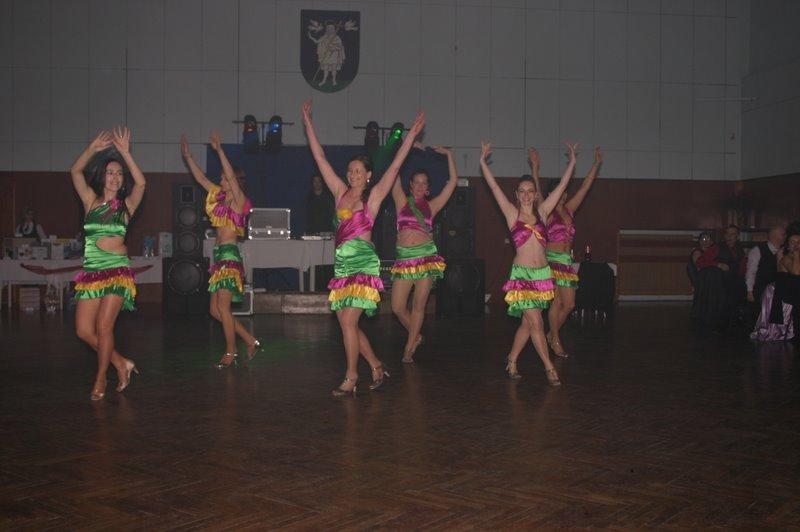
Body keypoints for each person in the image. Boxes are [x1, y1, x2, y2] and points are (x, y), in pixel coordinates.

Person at [301, 99, 425, 397]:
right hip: (342, 265)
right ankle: (376, 365)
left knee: (348, 321)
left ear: (368, 174)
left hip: (363, 264)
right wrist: (308, 124)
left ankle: (351, 375)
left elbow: (395, 166)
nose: (353, 174)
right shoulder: (339, 192)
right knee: (349, 325)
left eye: (359, 171)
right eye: (351, 170)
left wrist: (410, 136)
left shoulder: (374, 196)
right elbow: (320, 158)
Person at [480, 140, 578, 386]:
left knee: (527, 323)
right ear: (517, 194)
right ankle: (549, 368)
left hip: (542, 275)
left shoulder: (543, 212)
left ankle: (512, 359)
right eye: (521, 191)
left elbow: (562, 187)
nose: (525, 195)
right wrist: (483, 162)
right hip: (522, 276)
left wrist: (572, 163)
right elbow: (494, 188)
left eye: (530, 191)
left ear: (535, 194)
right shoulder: (512, 214)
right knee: (536, 322)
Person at [70, 128, 144, 401]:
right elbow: (75, 172)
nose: (115, 177)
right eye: (110, 172)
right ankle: (121, 362)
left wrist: (125, 153)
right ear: (103, 176)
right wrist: (92, 148)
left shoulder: (126, 206)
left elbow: (142, 183)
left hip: (116, 271)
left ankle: (101, 378)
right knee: (83, 331)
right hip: (92, 271)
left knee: (104, 327)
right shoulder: (90, 201)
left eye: (119, 173)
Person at [181, 133, 261, 368]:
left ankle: (230, 351)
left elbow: (232, 179)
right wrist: (188, 157)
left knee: (223, 309)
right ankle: (250, 340)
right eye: (221, 178)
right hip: (218, 259)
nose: (221, 180)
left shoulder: (239, 201)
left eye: (224, 178)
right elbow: (201, 179)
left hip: (229, 257)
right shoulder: (220, 197)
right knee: (215, 311)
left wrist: (219, 151)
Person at [390, 144, 458, 363]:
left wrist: (449, 155)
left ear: (428, 188)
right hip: (404, 260)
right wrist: (407, 147)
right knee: (397, 307)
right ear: (410, 185)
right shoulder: (401, 201)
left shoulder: (433, 205)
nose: (420, 186)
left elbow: (453, 182)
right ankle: (416, 335)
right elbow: (394, 170)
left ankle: (409, 349)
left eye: (424, 183)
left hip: (426, 258)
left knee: (419, 306)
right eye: (416, 182)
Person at [535, 146, 602, 357]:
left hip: (566, 261)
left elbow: (584, 188)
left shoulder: (569, 209)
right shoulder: (546, 211)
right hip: (551, 260)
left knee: (570, 304)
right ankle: (555, 339)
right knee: (556, 302)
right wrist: (535, 168)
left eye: (564, 191)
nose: (563, 194)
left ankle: (551, 334)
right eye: (559, 191)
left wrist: (595, 165)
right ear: (552, 193)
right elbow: (537, 192)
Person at [694, 225, 747, 329]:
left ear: (737, 237)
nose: (729, 237)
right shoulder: (717, 248)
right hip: (719, 284)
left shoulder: (740, 250)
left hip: (735, 280)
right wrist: (717, 264)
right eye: (727, 234)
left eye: (732, 234)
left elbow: (742, 267)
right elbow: (700, 262)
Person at [746, 225, 787, 304]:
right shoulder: (758, 250)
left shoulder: (784, 251)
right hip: (760, 290)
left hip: (778, 290)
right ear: (773, 236)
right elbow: (751, 272)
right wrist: (749, 291)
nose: (785, 237)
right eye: (783, 234)